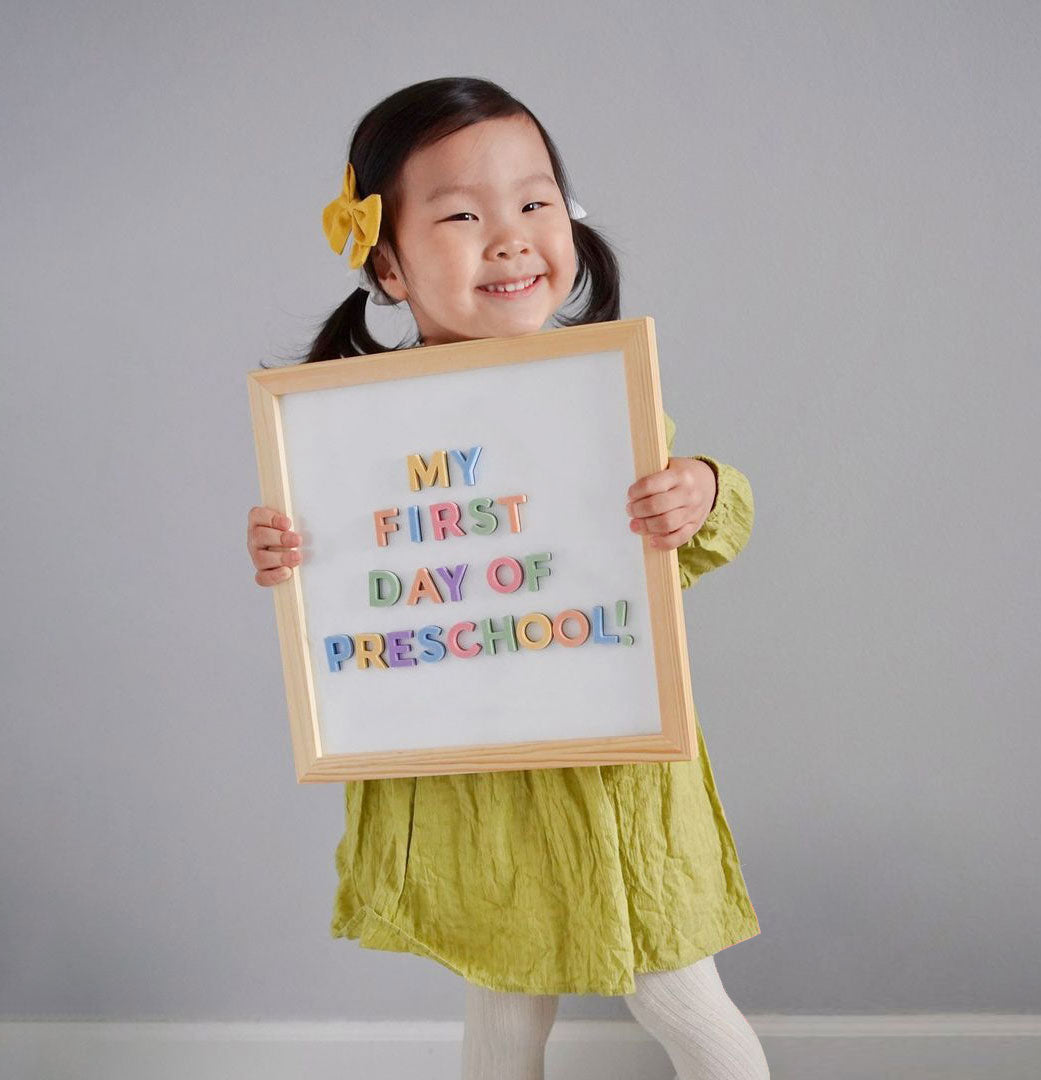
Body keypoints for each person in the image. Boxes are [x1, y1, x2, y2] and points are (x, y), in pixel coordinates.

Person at [246, 76, 769, 1080]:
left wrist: (698, 491)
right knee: (502, 995)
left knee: (676, 994)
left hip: (608, 775)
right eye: (461, 214)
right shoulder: (355, 434)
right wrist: (289, 555)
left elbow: (699, 532)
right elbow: (358, 578)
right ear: (389, 262)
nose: (510, 236)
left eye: (534, 203)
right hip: (470, 774)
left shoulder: (596, 398)